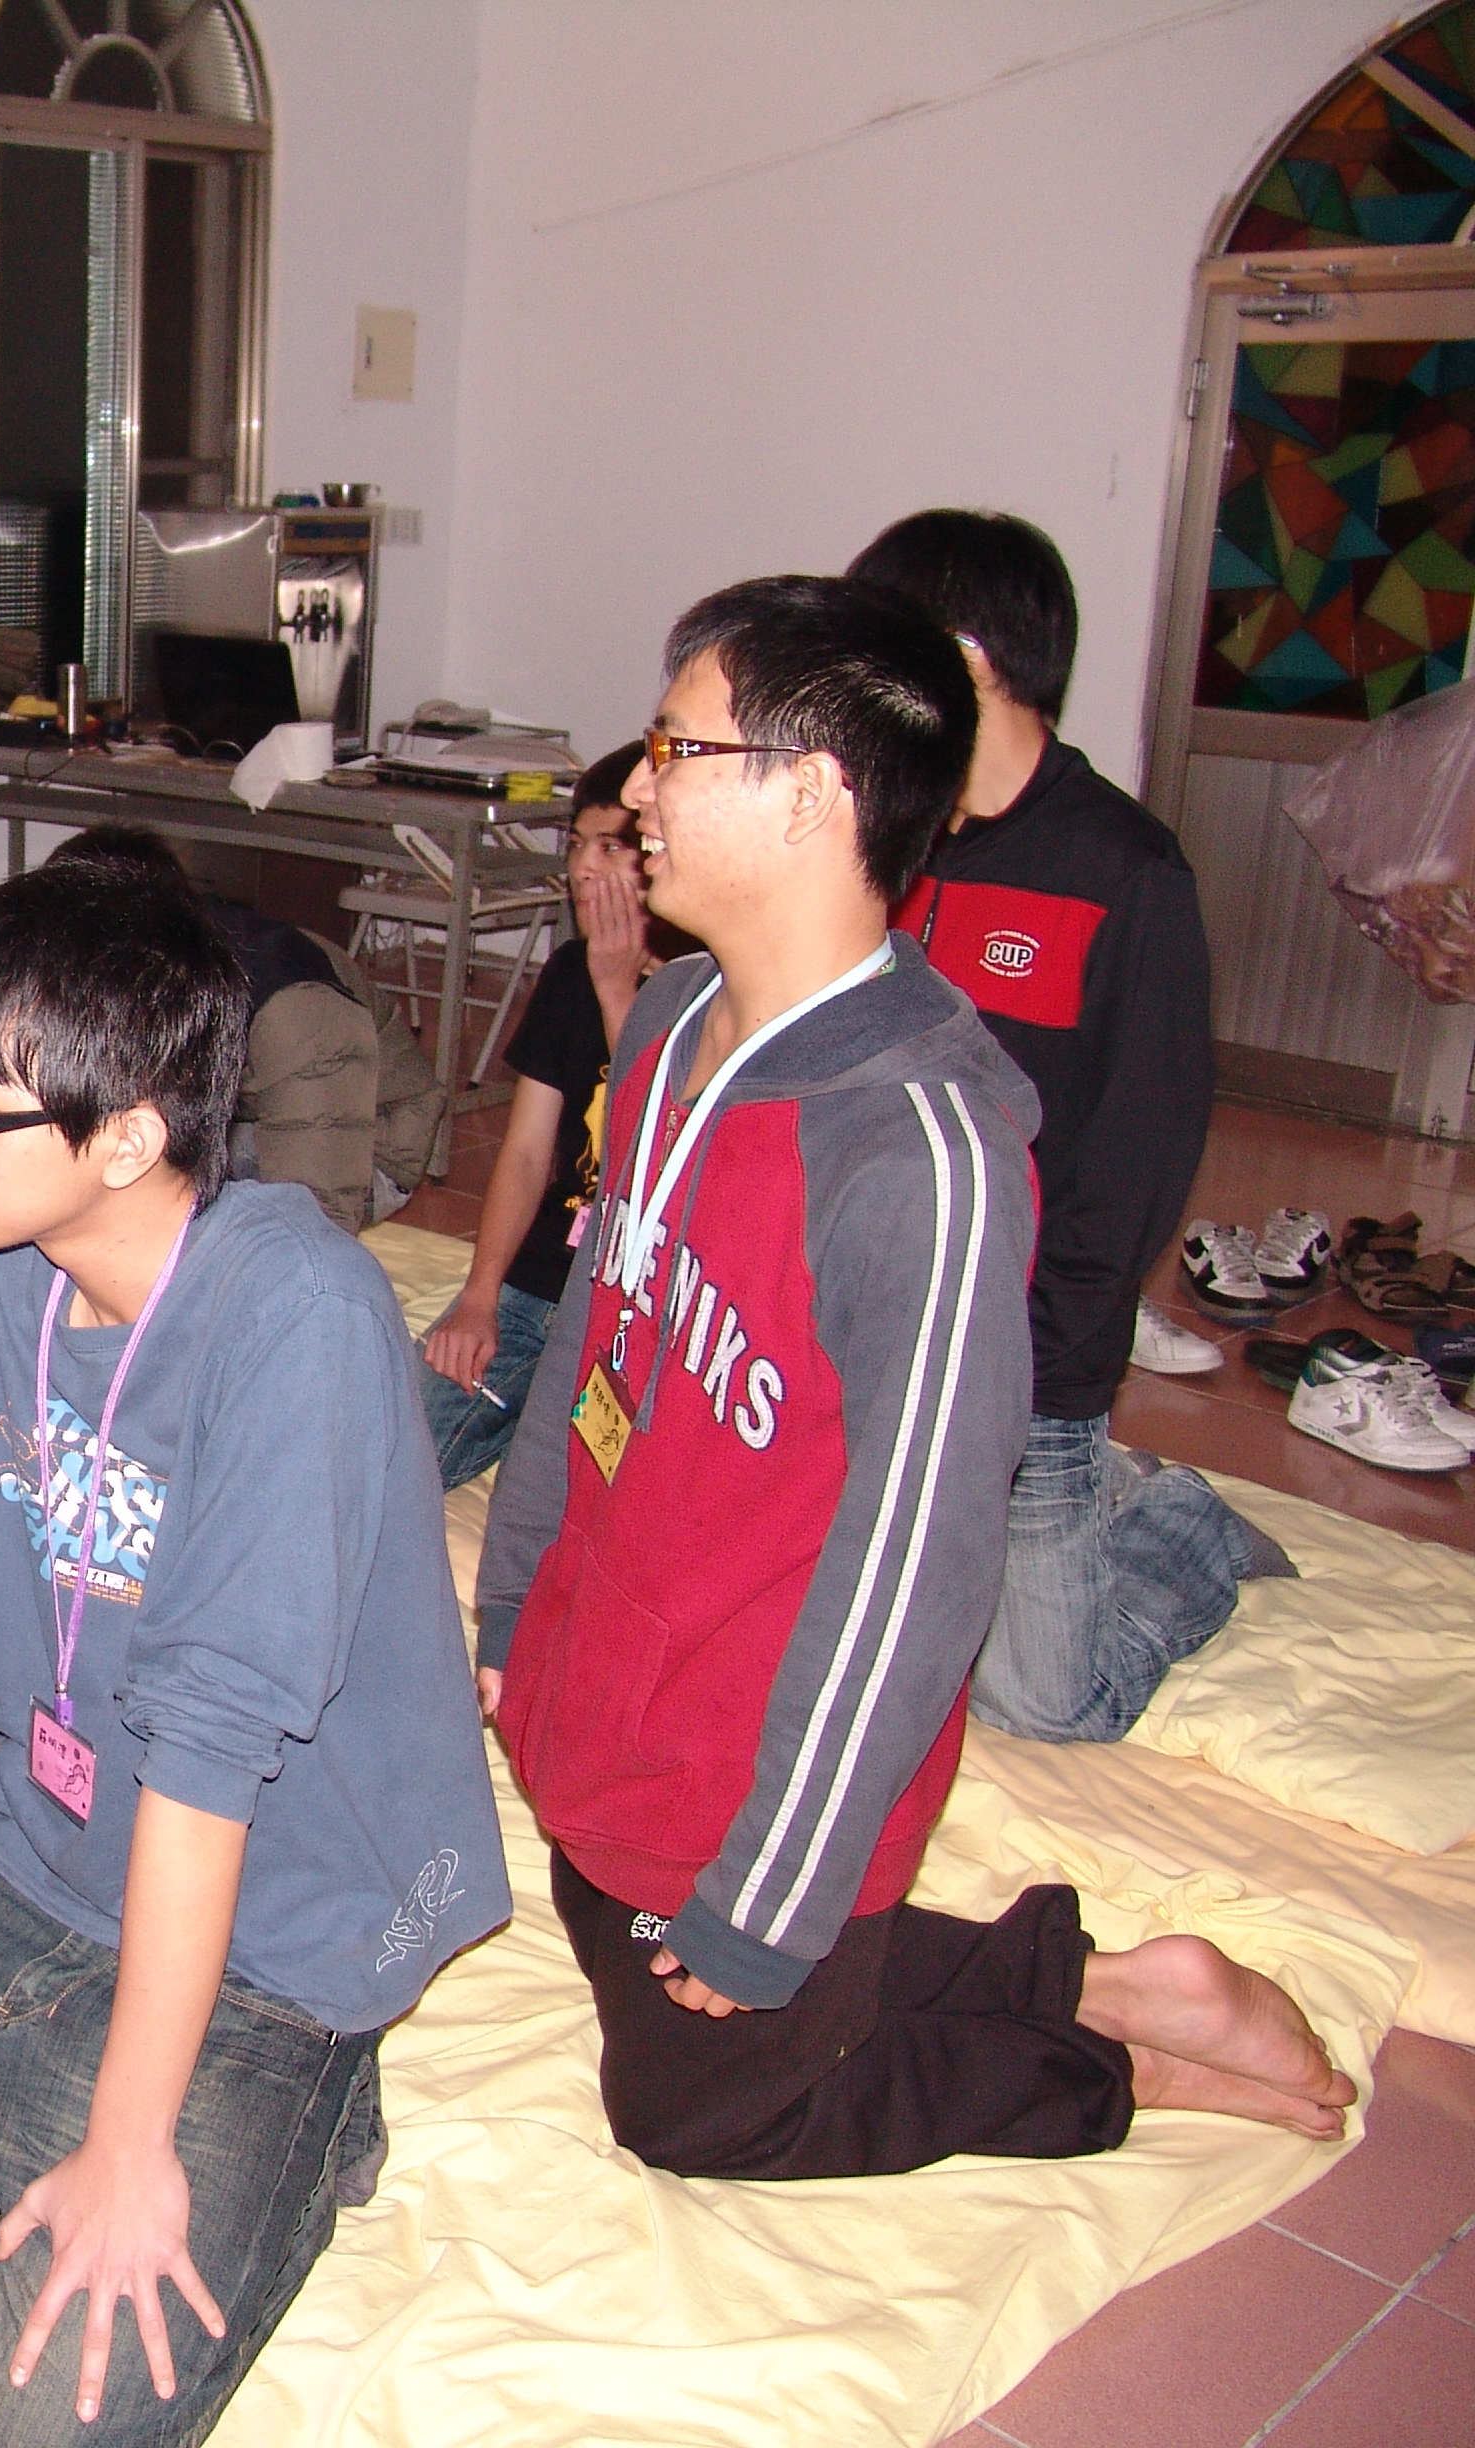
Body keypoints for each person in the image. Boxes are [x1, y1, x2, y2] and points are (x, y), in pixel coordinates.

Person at [473, 575, 1353, 2182]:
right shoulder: (669, 1021)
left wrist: (774, 1894)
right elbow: (599, 1339)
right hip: (629, 1677)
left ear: (813, 793)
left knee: (696, 2110)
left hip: (776, 1728)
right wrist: (519, 1607)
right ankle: (1082, 1979)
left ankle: (1109, 2053)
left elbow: (917, 1572)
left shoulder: (920, 1150)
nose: (639, 793)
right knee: (604, 1901)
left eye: (676, 749)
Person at [0, 856, 510, 2448]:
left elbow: (211, 1759)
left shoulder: (296, 1316)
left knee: (36, 2424)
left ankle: (291, 2115)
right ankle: (46, 2100)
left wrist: (136, 2145)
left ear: (130, 1138)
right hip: (41, 1861)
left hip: (275, 1926)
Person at [845, 509, 1288, 1743]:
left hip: (1028, 1349)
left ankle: (1177, 1519)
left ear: (964, 658)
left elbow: (1136, 1166)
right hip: (875, 1322)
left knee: (1045, 1702)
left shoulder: (1122, 870)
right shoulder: (880, 834)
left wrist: (1042, 1373)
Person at [414, 746, 668, 1485]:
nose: (583, 869)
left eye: (611, 848)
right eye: (576, 845)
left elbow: (663, 1142)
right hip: (539, 1281)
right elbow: (526, 1153)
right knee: (396, 1449)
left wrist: (619, 992)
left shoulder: (704, 986)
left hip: (633, 1300)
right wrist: (480, 1295)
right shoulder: (567, 973)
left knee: (585, 1490)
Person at [42, 823, 444, 1232]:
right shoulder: (135, 964)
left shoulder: (290, 1005)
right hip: (234, 1119)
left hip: (364, 1151)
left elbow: (317, 1212)